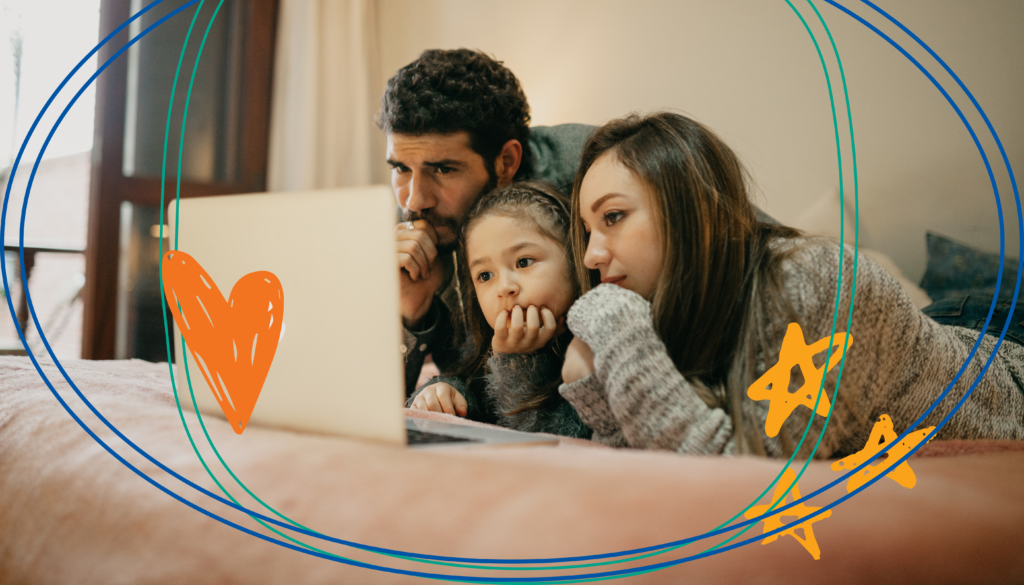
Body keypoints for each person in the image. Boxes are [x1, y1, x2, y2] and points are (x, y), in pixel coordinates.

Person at [557, 111, 1024, 457]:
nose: (591, 255)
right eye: (588, 230)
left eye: (613, 217)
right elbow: (645, 458)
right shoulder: (660, 305)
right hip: (912, 344)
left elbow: (748, 479)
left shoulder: (811, 281)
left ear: (690, 208)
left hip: (999, 346)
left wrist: (615, 328)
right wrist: (595, 387)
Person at [379, 48, 593, 398]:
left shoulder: (588, 176)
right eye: (401, 168)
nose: (414, 200)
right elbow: (376, 403)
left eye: (443, 169)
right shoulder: (409, 222)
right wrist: (411, 312)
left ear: (506, 162)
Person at [408, 181, 590, 438]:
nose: (504, 288)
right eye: (485, 275)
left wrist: (518, 362)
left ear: (575, 259)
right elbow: (476, 394)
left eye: (523, 262)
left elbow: (559, 442)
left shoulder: (596, 348)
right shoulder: (484, 351)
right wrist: (443, 392)